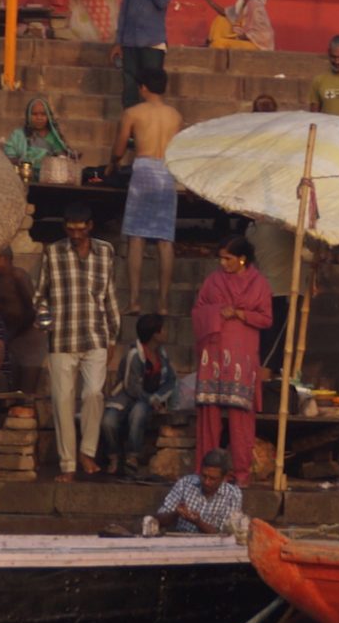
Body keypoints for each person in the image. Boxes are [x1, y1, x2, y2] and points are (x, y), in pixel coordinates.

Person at [34, 204, 120, 480]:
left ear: (90, 227)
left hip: (96, 334)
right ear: (65, 228)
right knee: (62, 402)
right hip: (61, 338)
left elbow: (109, 296)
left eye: (80, 230)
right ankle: (68, 466)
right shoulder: (53, 252)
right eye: (70, 229)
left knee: (94, 393)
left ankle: (87, 451)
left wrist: (113, 337)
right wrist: (45, 321)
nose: (75, 234)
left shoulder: (105, 251)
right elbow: (40, 296)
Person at [191, 237, 272, 485]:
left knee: (241, 419)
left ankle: (241, 474)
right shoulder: (213, 280)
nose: (222, 262)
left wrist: (239, 313)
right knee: (209, 416)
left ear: (242, 259)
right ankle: (204, 472)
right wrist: (216, 312)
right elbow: (197, 309)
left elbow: (266, 319)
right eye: (221, 258)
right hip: (213, 355)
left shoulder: (259, 284)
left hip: (241, 359)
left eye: (227, 258)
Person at [114, 64, 182, 314]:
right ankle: (163, 304)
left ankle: (134, 300)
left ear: (143, 87)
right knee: (165, 240)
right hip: (166, 172)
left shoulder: (133, 113)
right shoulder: (175, 116)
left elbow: (119, 149)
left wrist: (113, 163)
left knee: (136, 237)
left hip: (143, 169)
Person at [99, 313, 176, 481]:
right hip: (124, 397)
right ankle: (113, 456)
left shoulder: (162, 355)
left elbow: (170, 381)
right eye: (162, 329)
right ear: (155, 334)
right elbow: (130, 386)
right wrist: (150, 400)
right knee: (108, 422)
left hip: (146, 400)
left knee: (139, 413)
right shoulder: (134, 355)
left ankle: (132, 456)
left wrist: (157, 398)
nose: (165, 332)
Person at [113, 0, 176, 108]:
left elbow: (162, 1)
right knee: (129, 89)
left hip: (153, 42)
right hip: (130, 41)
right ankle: (131, 132)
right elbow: (124, 8)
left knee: (153, 91)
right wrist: (118, 42)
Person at [0, 247, 41, 392]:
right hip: (11, 333)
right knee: (14, 385)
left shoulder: (19, 276)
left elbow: (33, 309)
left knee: (26, 388)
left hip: (28, 333)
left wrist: (15, 333)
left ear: (4, 258)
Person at [154, 452, 245, 536]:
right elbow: (158, 520)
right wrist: (176, 514)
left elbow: (224, 535)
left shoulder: (233, 494)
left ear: (224, 478)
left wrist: (198, 522)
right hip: (181, 541)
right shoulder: (185, 483)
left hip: (214, 547)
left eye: (212, 479)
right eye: (204, 476)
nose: (206, 482)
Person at [192, 0, 274, 51]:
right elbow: (224, 12)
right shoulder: (243, 4)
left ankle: (213, 45)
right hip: (246, 39)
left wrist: (234, 37)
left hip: (258, 46)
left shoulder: (254, 5)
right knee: (222, 19)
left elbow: (256, 36)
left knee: (219, 43)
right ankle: (211, 42)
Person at [2, 95, 71, 173]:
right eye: (34, 114)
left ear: (48, 116)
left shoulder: (55, 137)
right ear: (28, 116)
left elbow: (62, 158)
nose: (39, 118)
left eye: (43, 114)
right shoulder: (18, 135)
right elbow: (9, 156)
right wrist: (24, 162)